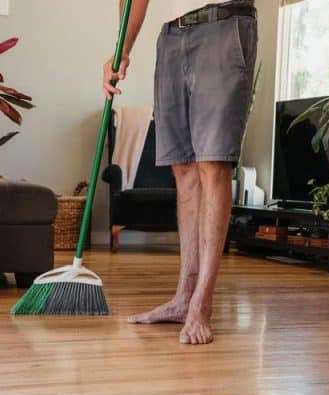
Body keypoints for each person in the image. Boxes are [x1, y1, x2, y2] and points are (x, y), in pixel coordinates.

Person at [107, 0, 258, 345]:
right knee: (184, 169)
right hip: (172, 35)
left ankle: (202, 304)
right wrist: (121, 50)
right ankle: (182, 299)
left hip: (224, 22)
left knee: (213, 162)